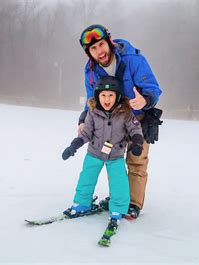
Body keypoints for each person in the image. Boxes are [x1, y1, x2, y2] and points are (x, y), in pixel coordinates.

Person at [77, 24, 163, 219]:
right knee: (112, 159)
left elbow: (153, 88)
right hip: (111, 123)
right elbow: (91, 98)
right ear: (88, 52)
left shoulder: (133, 59)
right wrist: (83, 119)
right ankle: (119, 197)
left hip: (137, 120)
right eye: (93, 49)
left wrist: (145, 99)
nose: (99, 51)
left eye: (101, 45)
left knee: (137, 161)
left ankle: (133, 203)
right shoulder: (90, 71)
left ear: (109, 41)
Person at [62, 76, 144, 229]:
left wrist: (138, 141)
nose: (107, 99)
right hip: (94, 153)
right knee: (86, 178)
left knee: (119, 183)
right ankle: (82, 203)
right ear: (98, 96)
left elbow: (135, 128)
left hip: (116, 155)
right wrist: (74, 145)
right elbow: (86, 132)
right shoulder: (93, 112)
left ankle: (118, 210)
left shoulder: (125, 113)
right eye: (103, 95)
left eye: (111, 95)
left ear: (117, 96)